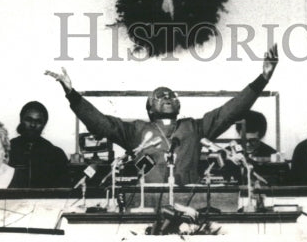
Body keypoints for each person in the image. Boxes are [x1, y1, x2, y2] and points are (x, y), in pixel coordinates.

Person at [46, 44, 278, 186]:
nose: (167, 97)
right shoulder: (135, 131)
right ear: (149, 108)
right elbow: (100, 124)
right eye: (160, 95)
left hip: (190, 199)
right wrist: (71, 94)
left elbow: (230, 111)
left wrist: (263, 78)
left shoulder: (195, 128)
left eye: (171, 95)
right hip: (146, 201)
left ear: (178, 104)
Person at [9, 101, 70, 187]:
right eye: (28, 120)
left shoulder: (56, 154)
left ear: (44, 125)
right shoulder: (6, 150)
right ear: (21, 120)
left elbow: (63, 192)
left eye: (38, 121)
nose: (33, 125)